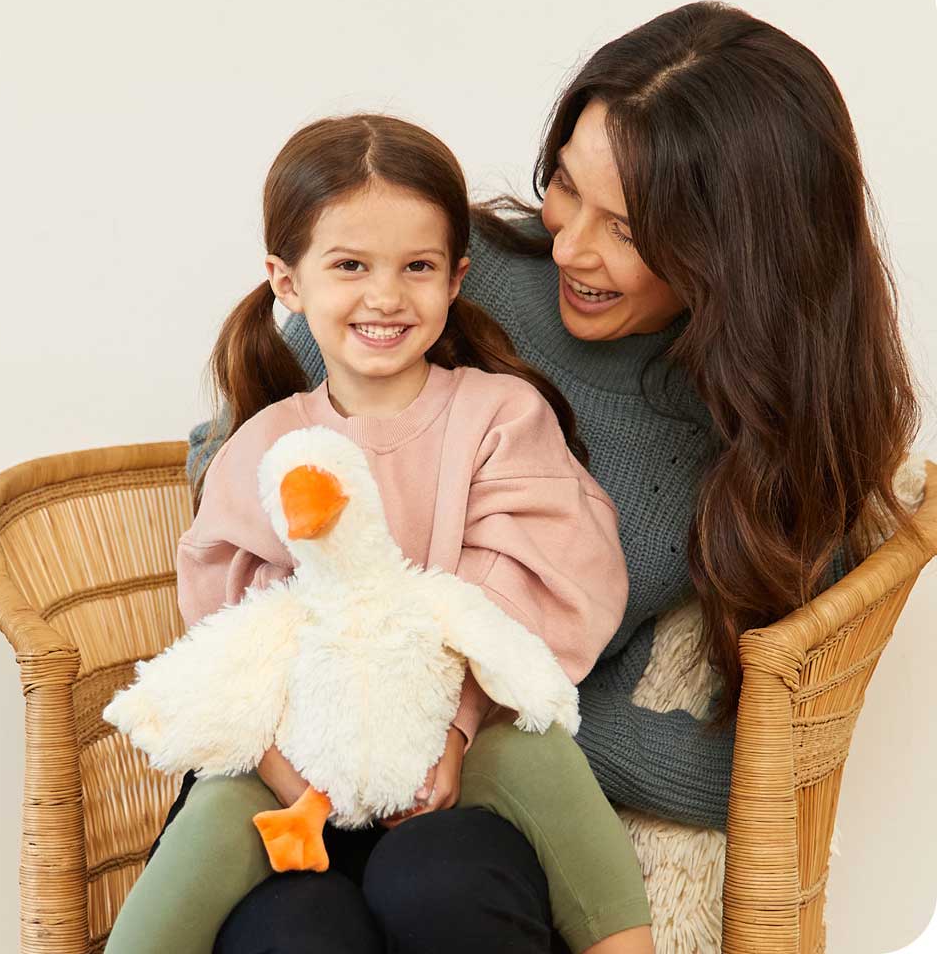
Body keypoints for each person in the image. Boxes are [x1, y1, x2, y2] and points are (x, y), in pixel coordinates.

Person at [184, 0, 920, 951]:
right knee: (293, 922)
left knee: (437, 882)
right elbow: (240, 461)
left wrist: (496, 719)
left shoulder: (763, 437)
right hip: (299, 751)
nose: (572, 244)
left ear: (740, 249)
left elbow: (768, 749)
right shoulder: (438, 273)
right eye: (566, 187)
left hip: (485, 799)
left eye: (629, 228)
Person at [104, 113, 656, 954]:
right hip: (298, 760)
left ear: (456, 278)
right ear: (287, 283)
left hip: (455, 752)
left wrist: (452, 731)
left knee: (542, 756)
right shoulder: (265, 450)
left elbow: (527, 599)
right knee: (218, 809)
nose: (387, 297)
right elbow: (242, 639)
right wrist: (298, 782)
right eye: (350, 266)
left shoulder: (499, 419)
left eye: (418, 267)